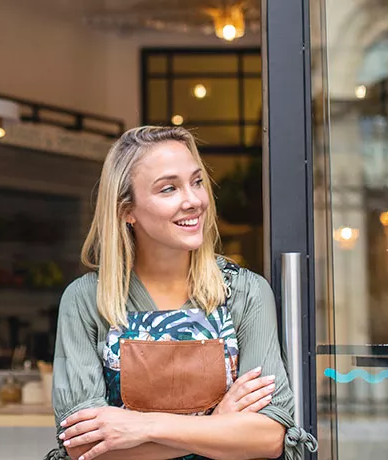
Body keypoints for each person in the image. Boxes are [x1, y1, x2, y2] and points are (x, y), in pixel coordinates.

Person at [46, 126, 317, 460]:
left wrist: (143, 427)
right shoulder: (87, 300)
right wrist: (217, 424)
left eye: (197, 182)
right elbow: (85, 445)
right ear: (126, 210)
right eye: (169, 188)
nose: (194, 201)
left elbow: (269, 435)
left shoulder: (243, 292)